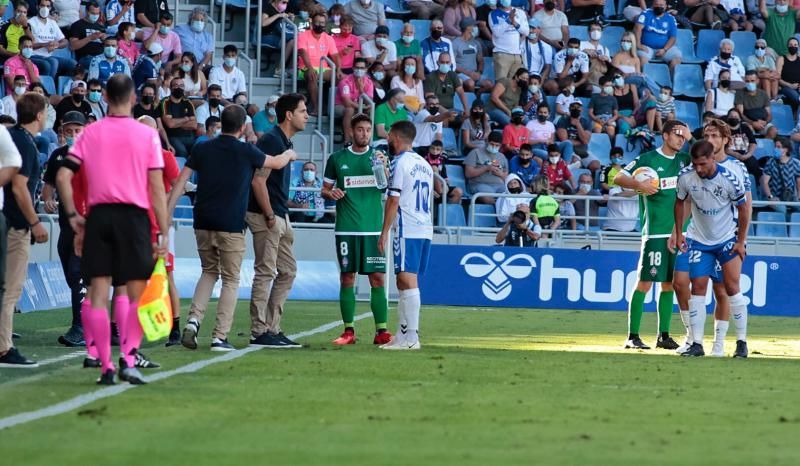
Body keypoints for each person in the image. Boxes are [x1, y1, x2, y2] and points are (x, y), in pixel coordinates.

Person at [54, 75, 168, 384]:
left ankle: (104, 364)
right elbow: (156, 188)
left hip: (99, 216)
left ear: (104, 95)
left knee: (98, 292)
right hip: (133, 217)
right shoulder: (146, 136)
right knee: (134, 293)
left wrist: (74, 216)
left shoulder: (91, 133)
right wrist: (163, 231)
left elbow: (63, 176)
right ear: (133, 98)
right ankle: (128, 359)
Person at [168, 104, 296, 351]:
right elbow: (276, 163)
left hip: (202, 222)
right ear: (241, 127)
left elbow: (181, 180)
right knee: (230, 279)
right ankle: (219, 336)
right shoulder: (246, 150)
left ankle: (193, 321)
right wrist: (290, 155)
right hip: (231, 224)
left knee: (208, 272)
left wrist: (167, 213)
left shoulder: (203, 148)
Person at [613, 119, 691, 350]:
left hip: (680, 233)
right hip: (656, 233)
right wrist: (639, 185)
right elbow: (618, 177)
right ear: (665, 135)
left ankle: (663, 335)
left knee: (669, 285)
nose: (681, 140)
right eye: (678, 135)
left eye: (684, 137)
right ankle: (632, 336)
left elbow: (705, 153)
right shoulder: (648, 160)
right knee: (645, 283)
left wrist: (691, 134)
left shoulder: (684, 161)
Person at [673, 140, 750, 358]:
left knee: (731, 287)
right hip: (699, 239)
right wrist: (679, 233)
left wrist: (740, 241)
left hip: (726, 239)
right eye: (695, 164)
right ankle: (696, 343)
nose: (699, 168)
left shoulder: (729, 179)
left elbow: (744, 209)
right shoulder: (686, 177)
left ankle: (741, 342)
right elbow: (679, 203)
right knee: (697, 287)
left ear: (713, 159)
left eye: (703, 164)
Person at [321, 114, 391, 345]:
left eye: (368, 130)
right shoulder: (337, 158)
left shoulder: (379, 157)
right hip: (347, 228)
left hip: (372, 228)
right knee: (347, 277)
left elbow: (386, 186)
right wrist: (331, 194)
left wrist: (385, 167)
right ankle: (348, 331)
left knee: (377, 278)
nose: (364, 134)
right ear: (352, 131)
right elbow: (325, 189)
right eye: (360, 129)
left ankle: (381, 331)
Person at [246, 93, 308, 349]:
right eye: (303, 111)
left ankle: (272, 327)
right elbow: (258, 180)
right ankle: (259, 331)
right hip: (266, 215)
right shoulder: (272, 140)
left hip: (280, 214)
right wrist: (270, 214)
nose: (307, 116)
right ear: (289, 115)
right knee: (265, 271)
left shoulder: (283, 140)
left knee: (288, 270)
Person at [377, 120, 432, 350]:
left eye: (389, 136)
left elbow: (393, 199)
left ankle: (412, 337)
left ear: (396, 137)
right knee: (405, 279)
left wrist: (384, 232)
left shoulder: (400, 163)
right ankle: (402, 334)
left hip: (407, 226)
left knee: (406, 280)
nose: (388, 140)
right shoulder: (424, 164)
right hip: (424, 226)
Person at [41, 111, 87, 347]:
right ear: (62, 131)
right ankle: (100, 324)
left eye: (76, 131)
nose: (72, 135)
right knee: (73, 277)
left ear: (84, 130)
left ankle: (80, 326)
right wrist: (47, 199)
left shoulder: (93, 156)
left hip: (87, 225)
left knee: (78, 274)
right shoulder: (58, 156)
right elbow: (47, 186)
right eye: (68, 131)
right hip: (65, 227)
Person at [0, 98, 32, 367]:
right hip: (14, 223)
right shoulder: (22, 142)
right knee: (9, 288)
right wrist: (34, 221)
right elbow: (19, 185)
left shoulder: (9, 134)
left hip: (6, 218)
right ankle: (3, 346)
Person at [298, 12, 341, 116]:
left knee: (339, 77)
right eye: (317, 22)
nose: (320, 25)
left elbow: (335, 55)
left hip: (324, 69)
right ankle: (316, 108)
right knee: (312, 75)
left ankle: (333, 107)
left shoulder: (328, 38)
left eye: (322, 23)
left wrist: (339, 69)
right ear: (312, 22)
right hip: (305, 68)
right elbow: (302, 52)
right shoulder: (303, 35)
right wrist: (310, 68)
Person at [29, 0, 75, 79]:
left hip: (48, 56)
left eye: (48, 6)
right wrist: (46, 44)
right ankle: (48, 87)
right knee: (52, 62)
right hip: (33, 55)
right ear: (37, 7)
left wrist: (56, 45)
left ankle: (62, 86)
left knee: (73, 64)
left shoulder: (52, 23)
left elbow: (65, 41)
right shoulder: (30, 22)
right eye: (42, 5)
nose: (45, 8)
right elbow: (27, 45)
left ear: (50, 8)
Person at [634, 0, 682, 71]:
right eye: (656, 4)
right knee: (642, 59)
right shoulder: (645, 13)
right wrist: (638, 45)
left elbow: (673, 38)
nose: (659, 6)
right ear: (653, 5)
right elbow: (637, 28)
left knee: (677, 58)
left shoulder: (671, 18)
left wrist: (664, 49)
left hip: (664, 48)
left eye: (661, 5)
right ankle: (646, 81)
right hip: (647, 47)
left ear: (666, 7)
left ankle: (671, 81)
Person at [336, 57, 374, 144]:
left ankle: (366, 141)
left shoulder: (368, 82)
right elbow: (347, 102)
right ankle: (347, 141)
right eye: (357, 67)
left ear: (366, 69)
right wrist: (361, 107)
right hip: (341, 106)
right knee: (350, 109)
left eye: (362, 68)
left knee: (370, 110)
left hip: (358, 106)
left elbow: (369, 101)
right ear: (353, 68)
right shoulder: (345, 81)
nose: (359, 70)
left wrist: (361, 90)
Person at [464, 131, 508, 204]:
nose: (494, 147)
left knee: (511, 196)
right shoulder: (475, 152)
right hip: (480, 184)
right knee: (488, 198)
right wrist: (486, 168)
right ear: (487, 141)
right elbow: (468, 173)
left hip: (499, 185)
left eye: (497, 145)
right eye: (492, 144)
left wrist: (501, 174)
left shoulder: (502, 156)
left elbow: (506, 176)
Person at [488, 0, 528, 80]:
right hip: (502, 54)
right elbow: (497, 33)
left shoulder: (520, 12)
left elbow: (526, 32)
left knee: (515, 84)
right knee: (501, 84)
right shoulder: (493, 14)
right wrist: (508, 21)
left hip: (517, 54)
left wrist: (515, 23)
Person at [423, 52, 468, 119]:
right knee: (447, 118)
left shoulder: (452, 75)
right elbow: (431, 101)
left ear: (450, 63)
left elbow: (461, 92)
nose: (445, 64)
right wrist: (446, 113)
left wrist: (466, 109)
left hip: (451, 109)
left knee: (468, 118)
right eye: (442, 62)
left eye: (447, 62)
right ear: (437, 63)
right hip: (435, 111)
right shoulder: (430, 77)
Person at [452, 17, 491, 94]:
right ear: (468, 28)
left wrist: (479, 72)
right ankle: (472, 102)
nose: (475, 28)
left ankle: (477, 97)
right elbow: (453, 65)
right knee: (470, 83)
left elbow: (480, 61)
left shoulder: (476, 43)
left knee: (489, 84)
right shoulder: (455, 43)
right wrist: (469, 74)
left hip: (475, 73)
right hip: (461, 74)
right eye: (473, 26)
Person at [159, 77, 195, 157]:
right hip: (173, 137)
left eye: (181, 85)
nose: (179, 88)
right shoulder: (165, 102)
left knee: (199, 150)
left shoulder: (187, 102)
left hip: (189, 136)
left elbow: (194, 125)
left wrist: (176, 123)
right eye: (176, 85)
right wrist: (186, 119)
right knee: (182, 152)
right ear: (171, 88)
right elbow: (170, 124)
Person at [762, 136, 800, 212]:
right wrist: (770, 197)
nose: (776, 149)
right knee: (782, 210)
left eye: (779, 147)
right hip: (774, 196)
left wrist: (798, 197)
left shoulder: (796, 163)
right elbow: (764, 182)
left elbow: (798, 182)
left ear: (786, 149)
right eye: (775, 147)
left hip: (790, 196)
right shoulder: (771, 162)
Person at [69, 2, 107, 68]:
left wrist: (105, 40)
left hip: (102, 56)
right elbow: (73, 46)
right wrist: (89, 38)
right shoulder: (77, 25)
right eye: (93, 13)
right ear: (87, 11)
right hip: (86, 58)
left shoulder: (100, 27)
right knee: (101, 65)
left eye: (97, 13)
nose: (95, 15)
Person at [175, 7, 214, 72]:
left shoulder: (208, 36)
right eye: (196, 19)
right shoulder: (180, 29)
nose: (199, 22)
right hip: (183, 63)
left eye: (202, 20)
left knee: (213, 71)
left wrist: (201, 67)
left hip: (200, 65)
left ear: (205, 23)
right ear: (191, 19)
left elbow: (208, 55)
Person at [726, 108, 761, 180]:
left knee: (753, 164)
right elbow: (723, 148)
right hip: (730, 156)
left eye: (736, 117)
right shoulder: (724, 129)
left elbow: (753, 143)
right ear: (728, 118)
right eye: (731, 116)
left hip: (745, 155)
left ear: (739, 119)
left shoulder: (745, 128)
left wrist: (748, 154)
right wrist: (736, 155)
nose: (733, 118)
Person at [425, 139, 462, 204]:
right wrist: (431, 190)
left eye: (437, 149)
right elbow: (422, 178)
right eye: (433, 148)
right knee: (434, 168)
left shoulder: (441, 160)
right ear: (429, 149)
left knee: (458, 191)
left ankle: (447, 212)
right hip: (430, 187)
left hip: (442, 186)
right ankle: (441, 192)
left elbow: (445, 177)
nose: (434, 151)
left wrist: (446, 186)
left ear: (441, 151)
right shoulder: (424, 161)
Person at [736, 70, 772, 135]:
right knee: (749, 130)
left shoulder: (763, 94)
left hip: (762, 121)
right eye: (747, 81)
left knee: (773, 131)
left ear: (757, 81)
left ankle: (764, 144)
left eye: (752, 81)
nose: (750, 83)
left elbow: (769, 114)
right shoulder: (740, 93)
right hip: (748, 122)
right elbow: (740, 114)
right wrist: (752, 123)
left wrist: (765, 122)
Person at [522, 19, 553, 83]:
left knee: (553, 85)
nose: (530, 31)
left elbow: (547, 67)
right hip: (523, 75)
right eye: (529, 28)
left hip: (538, 76)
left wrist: (540, 81)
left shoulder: (546, 47)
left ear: (539, 30)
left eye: (533, 28)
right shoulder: (521, 43)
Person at [775, 37, 800, 112]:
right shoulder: (781, 59)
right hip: (785, 87)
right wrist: (790, 85)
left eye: (795, 45)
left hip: (798, 86)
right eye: (791, 45)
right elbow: (777, 77)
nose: (793, 47)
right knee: (797, 97)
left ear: (798, 46)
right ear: (788, 46)